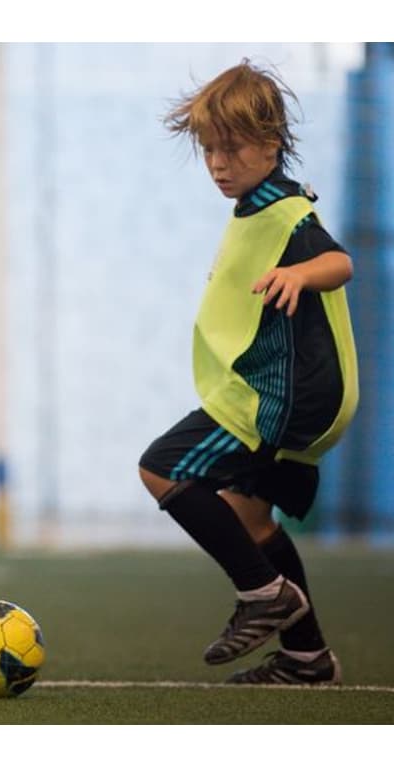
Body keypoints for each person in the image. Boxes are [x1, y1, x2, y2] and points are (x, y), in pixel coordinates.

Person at [139, 61, 358, 685]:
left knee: (160, 467)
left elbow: (339, 262)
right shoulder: (255, 209)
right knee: (248, 515)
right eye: (209, 149)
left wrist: (299, 274)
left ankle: (263, 593)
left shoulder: (284, 212)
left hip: (280, 398)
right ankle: (306, 657)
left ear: (270, 146)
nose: (217, 163)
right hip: (288, 395)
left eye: (231, 148)